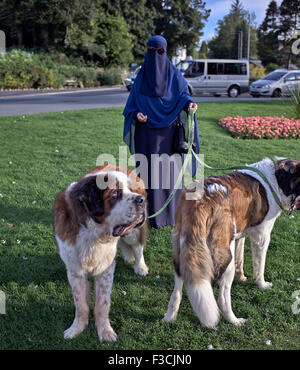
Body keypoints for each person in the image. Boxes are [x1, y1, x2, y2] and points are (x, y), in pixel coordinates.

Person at [123, 35, 199, 228]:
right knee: (148, 173)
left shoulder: (174, 75)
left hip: (169, 134)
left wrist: (190, 104)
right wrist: (136, 114)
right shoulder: (141, 77)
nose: (156, 55)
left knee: (170, 173)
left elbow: (183, 95)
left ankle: (171, 215)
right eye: (152, 51)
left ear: (166, 52)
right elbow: (130, 106)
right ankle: (149, 215)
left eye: (161, 51)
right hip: (146, 134)